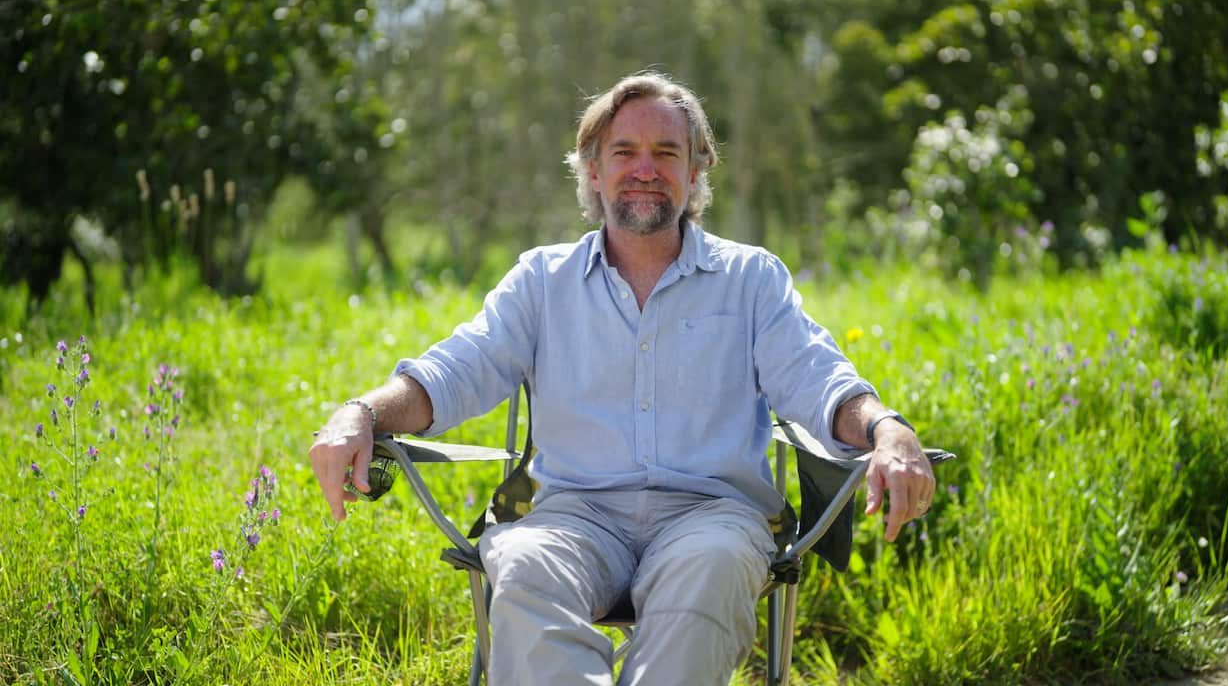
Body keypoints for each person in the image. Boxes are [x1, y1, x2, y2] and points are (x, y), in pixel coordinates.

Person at [309, 72, 935, 685]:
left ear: (695, 172)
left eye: (667, 152)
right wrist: (359, 412)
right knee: (522, 563)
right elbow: (450, 374)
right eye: (624, 152)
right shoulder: (541, 280)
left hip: (711, 515)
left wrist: (887, 429)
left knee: (711, 568)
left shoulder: (750, 279)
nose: (645, 168)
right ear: (593, 171)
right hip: (572, 515)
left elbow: (818, 380)